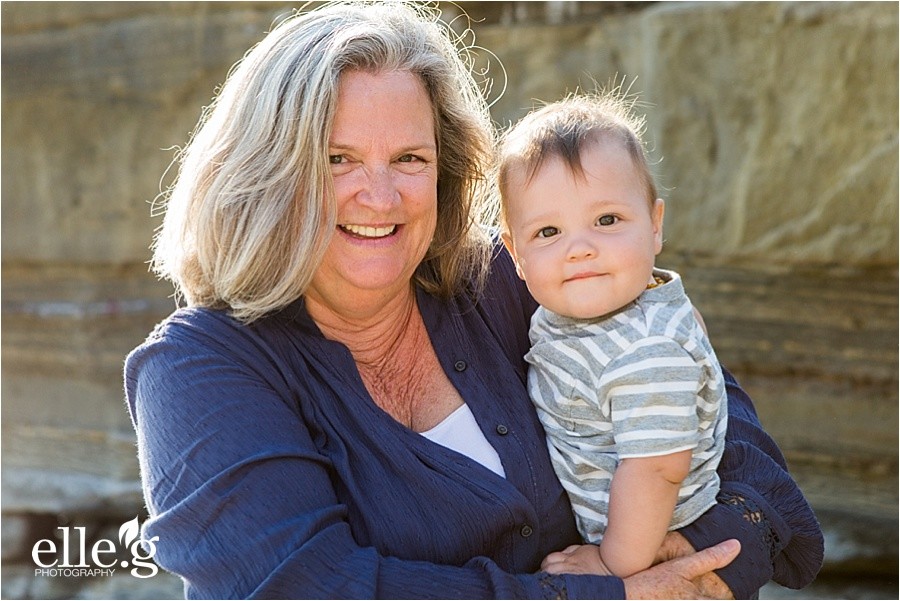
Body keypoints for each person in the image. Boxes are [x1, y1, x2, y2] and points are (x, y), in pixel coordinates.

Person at [125, 2, 824, 598]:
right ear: (266, 173)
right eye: (337, 159)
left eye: (411, 159)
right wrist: (607, 591)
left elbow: (744, 457)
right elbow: (306, 585)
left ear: (446, 172)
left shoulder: (513, 276)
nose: (381, 195)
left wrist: (698, 565)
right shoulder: (197, 367)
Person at [498, 92, 728, 579]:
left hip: (649, 540)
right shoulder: (581, 315)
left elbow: (657, 469)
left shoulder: (644, 350)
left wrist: (612, 563)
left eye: (607, 221)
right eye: (547, 233)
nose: (579, 249)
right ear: (514, 254)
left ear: (655, 226)